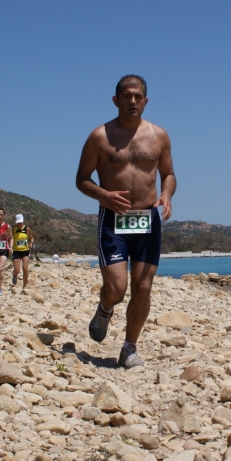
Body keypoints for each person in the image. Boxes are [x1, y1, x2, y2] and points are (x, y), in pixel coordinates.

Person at [75, 74, 176, 368]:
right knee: (117, 288)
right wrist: (103, 196)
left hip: (147, 218)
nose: (132, 101)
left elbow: (168, 174)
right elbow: (82, 179)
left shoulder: (159, 136)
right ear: (116, 100)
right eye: (127, 96)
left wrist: (167, 195)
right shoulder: (100, 137)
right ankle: (105, 307)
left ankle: (129, 348)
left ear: (145, 101)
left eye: (138, 96)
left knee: (143, 286)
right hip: (114, 220)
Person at [11, 214, 34, 289]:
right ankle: (14, 275)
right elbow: (10, 238)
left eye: (20, 222)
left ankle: (24, 286)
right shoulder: (13, 229)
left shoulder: (27, 229)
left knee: (25, 268)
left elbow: (31, 238)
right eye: (18, 222)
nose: (19, 224)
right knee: (17, 270)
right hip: (16, 251)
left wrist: (30, 243)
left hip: (25, 251)